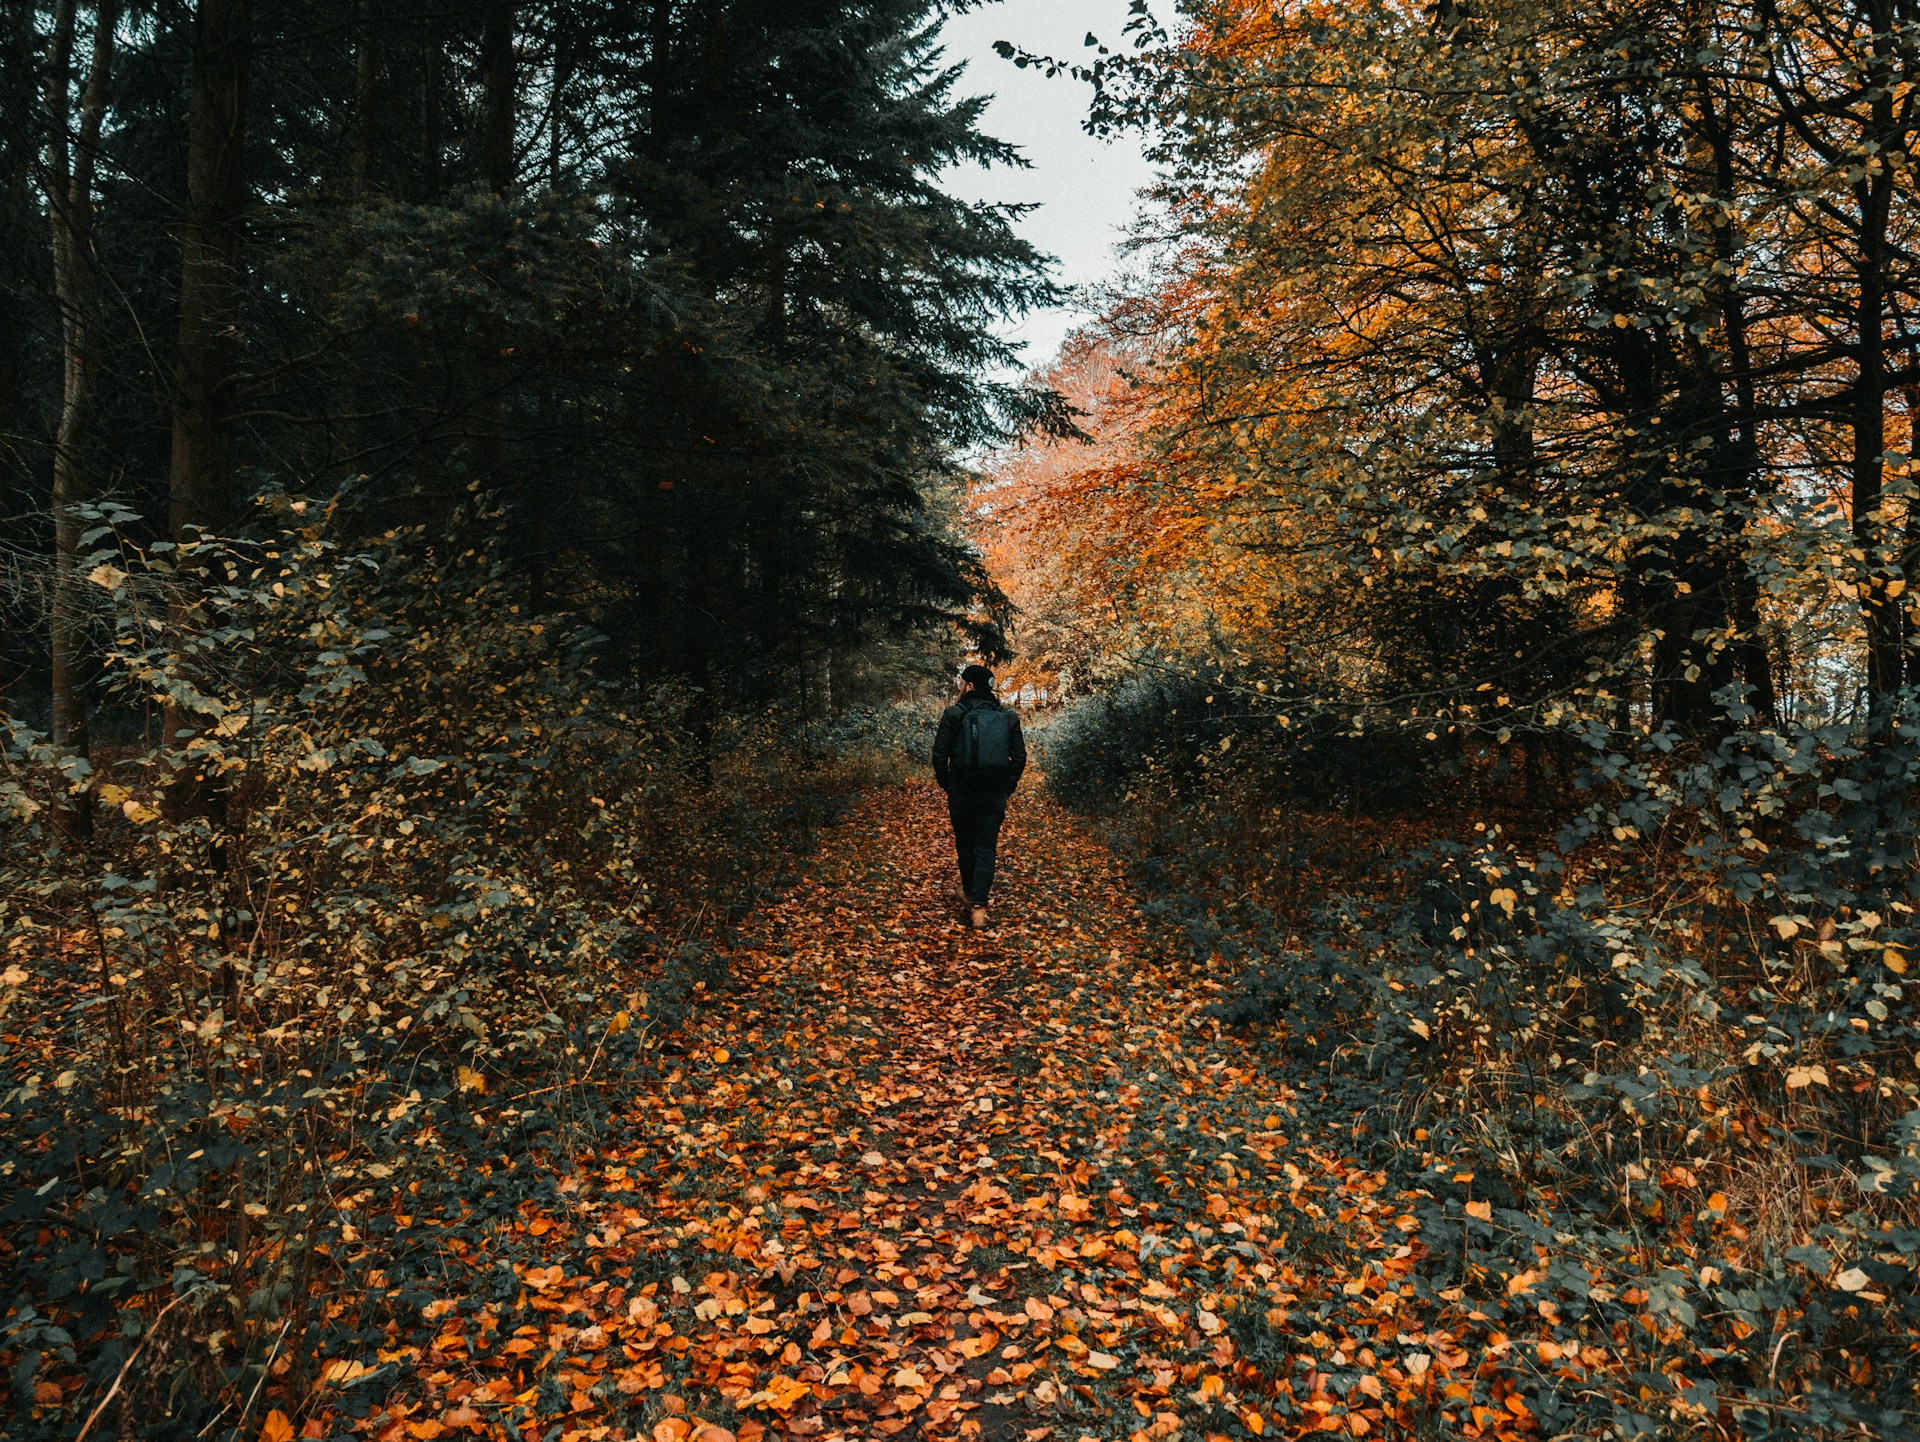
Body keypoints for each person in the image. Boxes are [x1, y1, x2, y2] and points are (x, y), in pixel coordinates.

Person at [931, 663, 1027, 929]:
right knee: (986, 847)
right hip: (993, 791)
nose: (961, 687)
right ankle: (979, 908)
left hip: (962, 790)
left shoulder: (954, 714)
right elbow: (1019, 758)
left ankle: (971, 894)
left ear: (970, 685)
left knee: (965, 844)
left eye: (963, 683)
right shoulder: (1007, 716)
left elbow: (939, 755)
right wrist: (1006, 787)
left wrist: (949, 785)